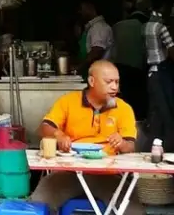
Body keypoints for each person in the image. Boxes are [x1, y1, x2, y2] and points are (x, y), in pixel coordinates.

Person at [30, 60, 143, 215]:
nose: (114, 87)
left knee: (134, 210)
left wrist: (121, 143)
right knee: (39, 202)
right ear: (92, 81)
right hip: (68, 172)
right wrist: (59, 134)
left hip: (107, 175)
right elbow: (44, 128)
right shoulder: (68, 101)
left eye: (117, 82)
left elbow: (130, 147)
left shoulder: (123, 108)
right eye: (109, 82)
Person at [145, 0, 174, 150]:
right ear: (164, 6)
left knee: (155, 114)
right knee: (167, 115)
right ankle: (168, 150)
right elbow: (172, 52)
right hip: (161, 74)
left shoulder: (147, 25)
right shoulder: (161, 27)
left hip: (151, 73)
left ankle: (152, 148)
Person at [110, 7, 148, 120]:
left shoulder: (117, 26)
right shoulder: (144, 26)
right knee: (136, 101)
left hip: (119, 67)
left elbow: (111, 48)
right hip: (136, 69)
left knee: (122, 98)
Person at [78, 0, 113, 74]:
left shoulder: (99, 27)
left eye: (82, 9)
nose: (80, 12)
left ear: (90, 8)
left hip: (100, 73)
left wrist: (79, 68)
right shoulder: (92, 27)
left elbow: (96, 52)